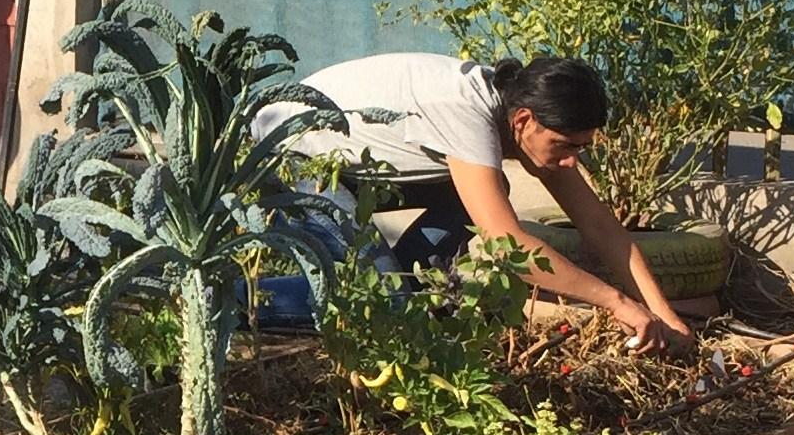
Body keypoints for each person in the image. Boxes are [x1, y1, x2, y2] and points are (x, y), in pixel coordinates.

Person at [280, 50, 694, 355]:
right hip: (292, 155)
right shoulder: (466, 114)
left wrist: (665, 316)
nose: (572, 161)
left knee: (482, 206)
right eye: (566, 146)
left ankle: (398, 287)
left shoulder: (522, 113)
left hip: (358, 164)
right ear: (523, 121)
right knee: (384, 310)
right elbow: (508, 246)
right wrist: (616, 302)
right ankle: (241, 302)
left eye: (582, 148)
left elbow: (601, 227)